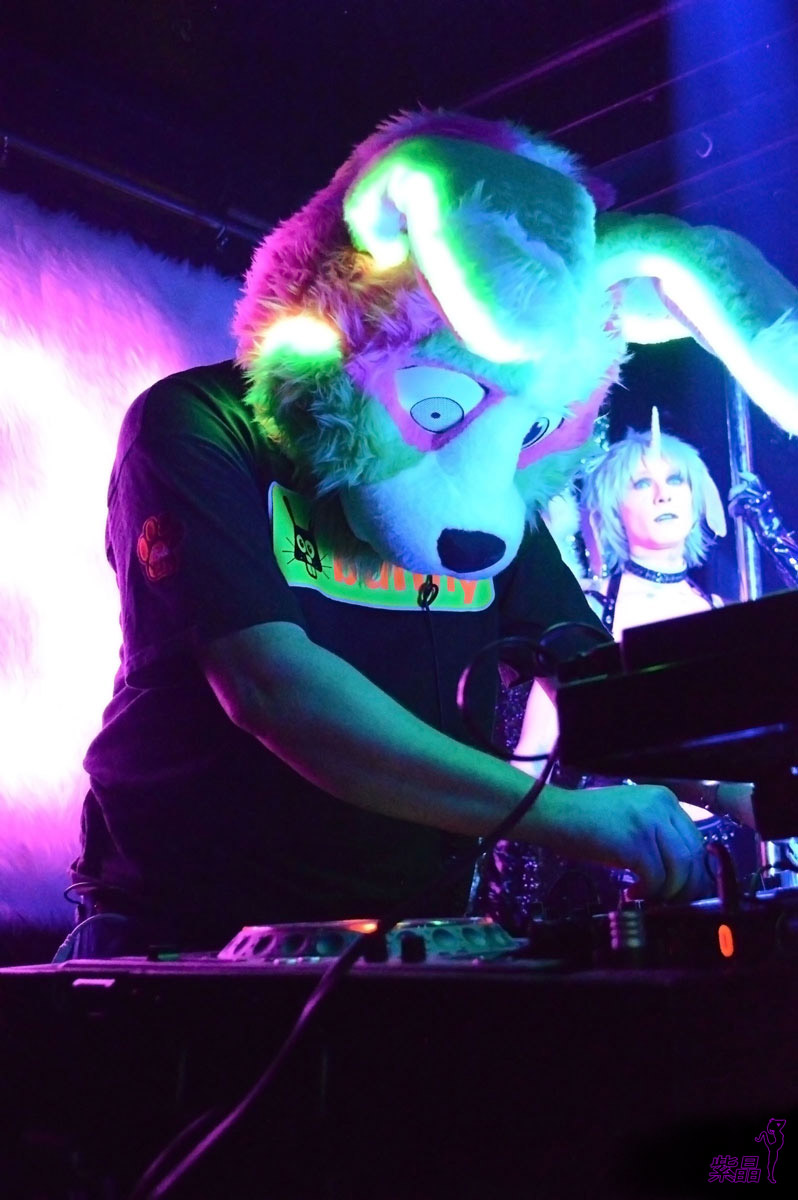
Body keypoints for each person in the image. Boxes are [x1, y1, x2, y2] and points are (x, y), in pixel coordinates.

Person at [68, 111, 780, 957]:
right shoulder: (200, 423)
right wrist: (559, 815)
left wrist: (750, 786)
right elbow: (272, 688)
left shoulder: (494, 485)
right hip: (186, 931)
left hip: (409, 930)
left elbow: (589, 677)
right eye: (443, 409)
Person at [476, 415, 755, 930]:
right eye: (642, 483)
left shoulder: (723, 610)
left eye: (676, 479)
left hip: (728, 849)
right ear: (610, 505)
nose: (663, 495)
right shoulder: (587, 613)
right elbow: (532, 761)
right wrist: (506, 894)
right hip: (617, 867)